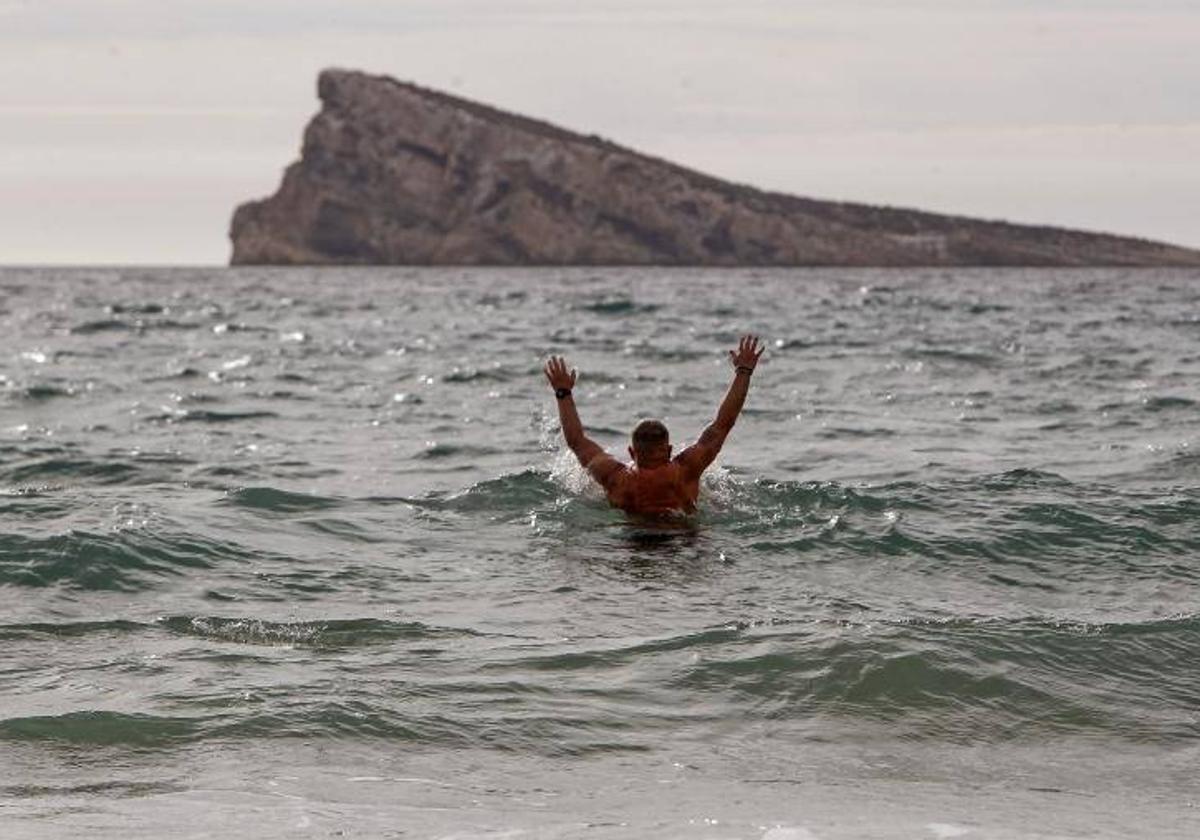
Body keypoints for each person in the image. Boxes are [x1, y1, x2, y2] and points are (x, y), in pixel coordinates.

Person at [543, 334, 764, 515]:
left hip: (632, 541)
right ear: (669, 450)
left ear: (631, 452)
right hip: (681, 540)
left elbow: (576, 441)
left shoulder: (614, 477)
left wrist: (563, 392)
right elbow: (723, 424)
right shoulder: (686, 470)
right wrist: (744, 372)